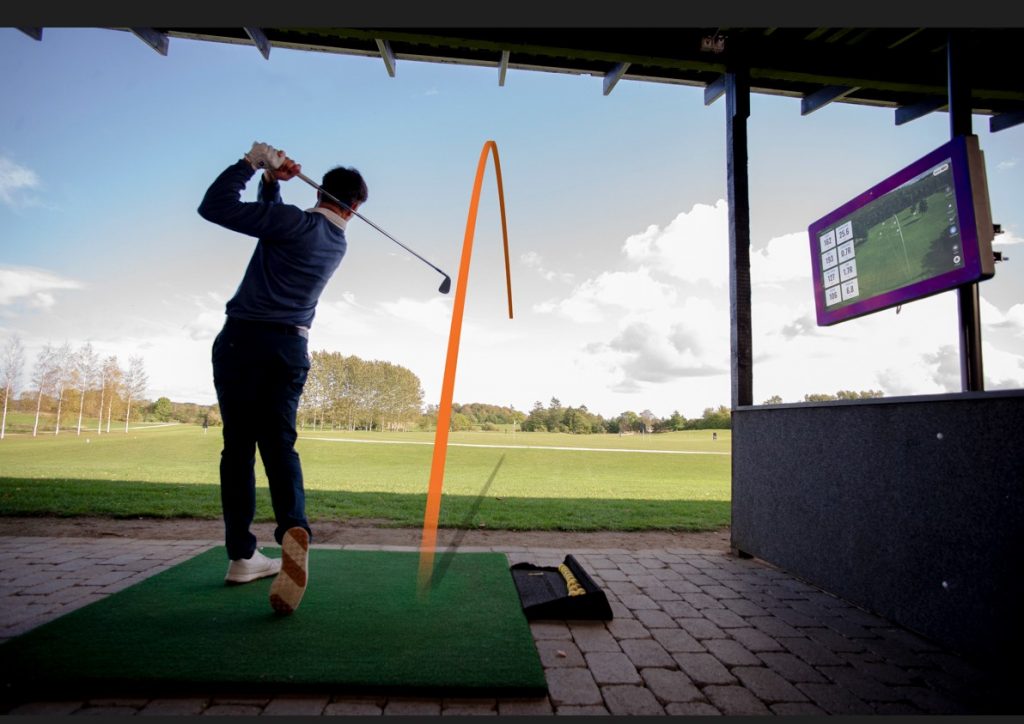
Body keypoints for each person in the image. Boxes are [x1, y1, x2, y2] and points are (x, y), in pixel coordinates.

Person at [198, 141, 368, 614]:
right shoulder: (334, 240)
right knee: (279, 445)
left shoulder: (297, 223)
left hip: (241, 342)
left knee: (238, 449)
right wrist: (273, 185)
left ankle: (240, 552)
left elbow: (215, 207)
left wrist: (251, 164)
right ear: (353, 207)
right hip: (288, 348)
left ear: (323, 194)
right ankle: (290, 529)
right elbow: (271, 225)